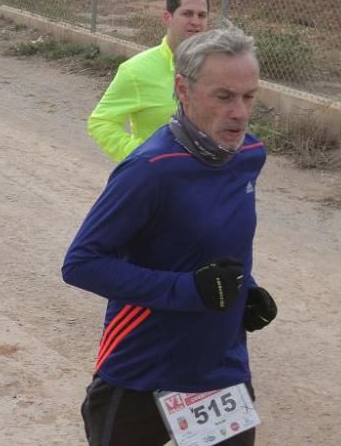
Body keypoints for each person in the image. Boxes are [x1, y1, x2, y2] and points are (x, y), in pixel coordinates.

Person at [62, 25, 276, 446]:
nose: (239, 112)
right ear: (183, 88)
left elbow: (221, 244)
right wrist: (189, 290)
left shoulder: (249, 156)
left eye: (249, 97)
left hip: (220, 368)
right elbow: (81, 263)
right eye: (223, 96)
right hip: (143, 369)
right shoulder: (149, 170)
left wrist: (244, 289)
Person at [87, 0, 210, 162]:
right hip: (159, 184)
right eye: (187, 14)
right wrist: (143, 158)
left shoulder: (217, 69)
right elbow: (101, 122)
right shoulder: (136, 70)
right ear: (167, 18)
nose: (196, 22)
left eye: (202, 15)